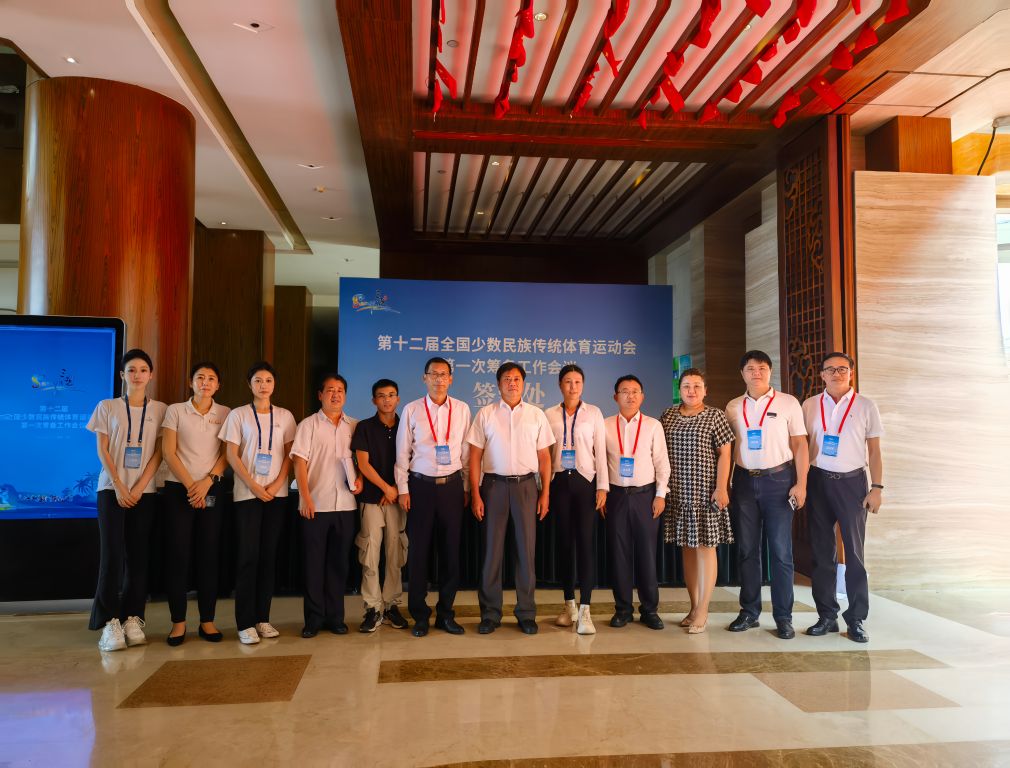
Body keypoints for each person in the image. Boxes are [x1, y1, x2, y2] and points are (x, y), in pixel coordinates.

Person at [724, 350, 809, 640]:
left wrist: (801, 484)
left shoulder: (788, 402)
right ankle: (749, 612)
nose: (756, 373)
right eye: (750, 368)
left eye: (761, 368)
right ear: (742, 374)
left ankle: (783, 617)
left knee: (781, 552)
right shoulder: (733, 406)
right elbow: (727, 449)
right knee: (747, 550)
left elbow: (800, 445)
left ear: (770, 371)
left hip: (779, 481)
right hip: (744, 481)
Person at [87, 348, 167, 652]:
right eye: (131, 370)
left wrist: (140, 486)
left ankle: (133, 618)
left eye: (143, 370)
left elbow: (159, 452)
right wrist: (120, 486)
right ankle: (109, 623)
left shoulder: (160, 409)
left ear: (151, 375)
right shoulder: (107, 406)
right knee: (111, 556)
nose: (137, 375)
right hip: (111, 490)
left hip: (144, 493)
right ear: (122, 375)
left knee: (138, 558)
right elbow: (102, 449)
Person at [802, 352, 884, 643]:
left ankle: (856, 619)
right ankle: (827, 616)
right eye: (830, 369)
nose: (836, 373)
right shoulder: (810, 405)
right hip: (818, 482)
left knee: (854, 554)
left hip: (852, 484)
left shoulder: (865, 406)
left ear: (851, 372)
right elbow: (800, 447)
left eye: (842, 369)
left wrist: (877, 488)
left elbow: (874, 450)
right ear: (822, 374)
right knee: (822, 553)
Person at [468, 362, 554, 635]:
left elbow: (544, 458)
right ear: (498, 384)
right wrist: (475, 493)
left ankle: (526, 613)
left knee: (526, 552)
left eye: (517, 379)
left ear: (524, 383)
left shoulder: (536, 415)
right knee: (492, 552)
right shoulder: (485, 414)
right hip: (493, 487)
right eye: (507, 379)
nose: (512, 383)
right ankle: (490, 614)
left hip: (526, 487)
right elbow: (474, 457)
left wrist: (545, 493)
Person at [219, 362, 296, 645]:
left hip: (276, 495)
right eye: (258, 380)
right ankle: (245, 623)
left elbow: (290, 455)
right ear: (249, 384)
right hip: (247, 494)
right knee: (248, 557)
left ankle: (263, 618)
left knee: (268, 557)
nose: (264, 385)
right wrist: (253, 485)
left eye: (268, 380)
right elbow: (231, 454)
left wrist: (276, 485)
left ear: (275, 384)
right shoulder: (238, 415)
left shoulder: (285, 416)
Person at [395, 357, 472, 637]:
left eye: (444, 374)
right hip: (421, 487)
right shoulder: (412, 409)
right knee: (419, 553)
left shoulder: (462, 409)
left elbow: (466, 451)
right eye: (434, 374)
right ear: (424, 378)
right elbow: (402, 452)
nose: (439, 379)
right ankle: (419, 615)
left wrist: (466, 487)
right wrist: (403, 489)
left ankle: (446, 614)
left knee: (451, 552)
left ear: (451, 379)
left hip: (452, 487)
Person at [660, 368, 734, 635]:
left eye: (697, 386)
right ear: (679, 390)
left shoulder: (715, 416)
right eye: (686, 386)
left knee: (705, 548)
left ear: (705, 390)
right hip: (677, 493)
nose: (691, 391)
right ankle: (693, 607)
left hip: (704, 492)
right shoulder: (668, 415)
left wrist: (721, 488)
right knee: (687, 550)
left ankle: (703, 609)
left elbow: (725, 454)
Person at [161, 362, 230, 646]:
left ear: (218, 385)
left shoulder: (225, 413)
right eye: (200, 377)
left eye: (211, 378)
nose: (205, 382)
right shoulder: (176, 410)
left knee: (208, 555)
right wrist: (192, 486)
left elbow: (227, 454)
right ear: (191, 382)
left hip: (211, 489)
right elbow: (168, 452)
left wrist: (207, 483)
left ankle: (207, 621)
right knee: (178, 555)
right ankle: (178, 623)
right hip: (180, 489)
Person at [291, 374, 362, 637]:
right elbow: (299, 462)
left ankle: (335, 618)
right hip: (315, 504)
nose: (335, 394)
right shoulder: (308, 425)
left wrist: (360, 479)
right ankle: (313, 619)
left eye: (340, 390)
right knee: (313, 564)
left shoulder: (354, 426)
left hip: (345, 505)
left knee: (338, 565)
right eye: (330, 390)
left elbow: (361, 461)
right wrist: (304, 497)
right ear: (320, 395)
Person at [543, 364, 608, 635]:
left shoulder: (594, 413)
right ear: (560, 385)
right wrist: (543, 488)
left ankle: (586, 610)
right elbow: (544, 454)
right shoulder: (549, 414)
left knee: (585, 545)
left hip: (585, 482)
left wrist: (602, 487)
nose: (573, 386)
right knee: (564, 545)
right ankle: (569, 604)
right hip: (559, 483)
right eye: (568, 381)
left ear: (583, 385)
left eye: (578, 381)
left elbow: (601, 452)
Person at [604, 374, 670, 630]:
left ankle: (650, 610)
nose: (630, 396)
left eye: (635, 391)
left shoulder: (653, 426)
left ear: (642, 396)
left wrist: (660, 495)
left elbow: (662, 463)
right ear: (615, 397)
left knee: (646, 554)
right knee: (619, 554)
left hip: (645, 496)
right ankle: (622, 609)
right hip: (616, 496)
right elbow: (600, 463)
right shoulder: (605, 425)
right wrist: (602, 493)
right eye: (624, 391)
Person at [351, 378, 407, 633]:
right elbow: (363, 464)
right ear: (374, 400)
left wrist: (394, 489)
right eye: (381, 396)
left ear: (398, 399)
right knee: (370, 555)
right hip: (372, 500)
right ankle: (372, 608)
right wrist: (386, 488)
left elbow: (411, 460)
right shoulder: (364, 427)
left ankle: (392, 605)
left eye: (391, 395)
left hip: (397, 502)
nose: (387, 400)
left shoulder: (406, 427)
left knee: (396, 554)